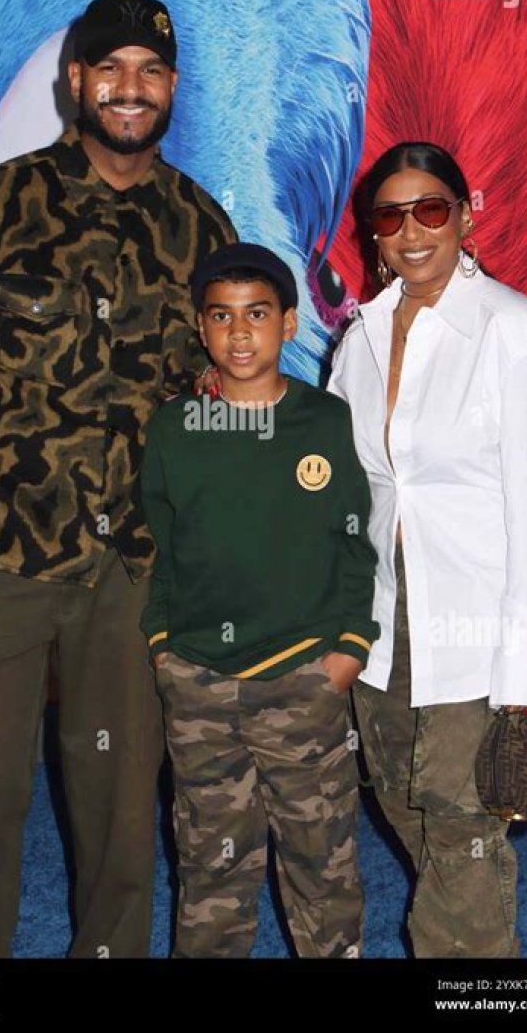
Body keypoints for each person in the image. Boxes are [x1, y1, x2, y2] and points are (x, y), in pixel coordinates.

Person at [0, 0, 236, 958]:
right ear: (76, 81)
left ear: (172, 88)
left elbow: (224, 394)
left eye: (150, 71)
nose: (130, 88)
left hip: (133, 570)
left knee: (122, 818)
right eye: (109, 68)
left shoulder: (202, 225)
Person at [328, 141, 527, 958]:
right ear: (373, 233)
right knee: (404, 801)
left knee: (463, 828)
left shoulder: (521, 334)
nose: (412, 231)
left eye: (430, 209)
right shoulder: (360, 338)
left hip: (473, 630)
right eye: (390, 216)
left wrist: (520, 680)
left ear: (466, 217)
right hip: (382, 622)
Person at [140, 241, 380, 957]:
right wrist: (163, 645)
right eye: (222, 316)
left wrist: (348, 647)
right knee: (210, 864)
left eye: (257, 314)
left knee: (323, 866)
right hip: (199, 684)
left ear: (289, 323)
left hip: (302, 678)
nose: (239, 333)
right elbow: (160, 548)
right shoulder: (174, 428)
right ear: (201, 326)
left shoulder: (325, 422)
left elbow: (353, 541)